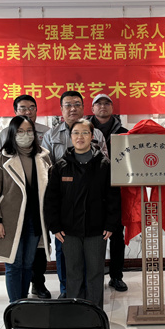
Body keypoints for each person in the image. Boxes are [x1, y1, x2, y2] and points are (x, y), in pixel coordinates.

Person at [44, 119, 121, 307]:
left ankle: (95, 312)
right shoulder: (61, 166)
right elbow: (51, 199)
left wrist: (111, 224)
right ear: (70, 137)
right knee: (73, 272)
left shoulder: (104, 165)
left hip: (97, 230)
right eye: (76, 133)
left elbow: (113, 198)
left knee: (95, 272)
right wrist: (55, 226)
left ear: (92, 136)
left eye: (85, 133)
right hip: (68, 231)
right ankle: (76, 312)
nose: (80, 137)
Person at [41, 91, 108, 297]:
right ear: (61, 109)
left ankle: (92, 300)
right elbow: (47, 175)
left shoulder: (98, 139)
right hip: (67, 213)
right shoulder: (51, 137)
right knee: (69, 262)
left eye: (77, 104)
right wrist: (54, 223)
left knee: (93, 264)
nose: (72, 109)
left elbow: (108, 184)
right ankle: (68, 294)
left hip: (93, 214)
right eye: (68, 105)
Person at [0, 116, 53, 303]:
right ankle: (16, 305)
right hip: (10, 221)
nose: (25, 135)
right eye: (20, 131)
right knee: (14, 264)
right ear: (12, 133)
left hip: (35, 220)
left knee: (28, 264)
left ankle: (24, 303)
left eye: (29, 131)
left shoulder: (44, 157)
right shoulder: (1, 158)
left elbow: (52, 191)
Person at [88, 93, 129, 292]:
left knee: (117, 235)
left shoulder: (124, 133)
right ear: (92, 109)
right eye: (99, 104)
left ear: (112, 108)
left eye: (107, 103)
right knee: (93, 236)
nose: (102, 107)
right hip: (90, 191)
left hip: (115, 189)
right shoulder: (84, 130)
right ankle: (93, 276)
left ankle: (116, 276)